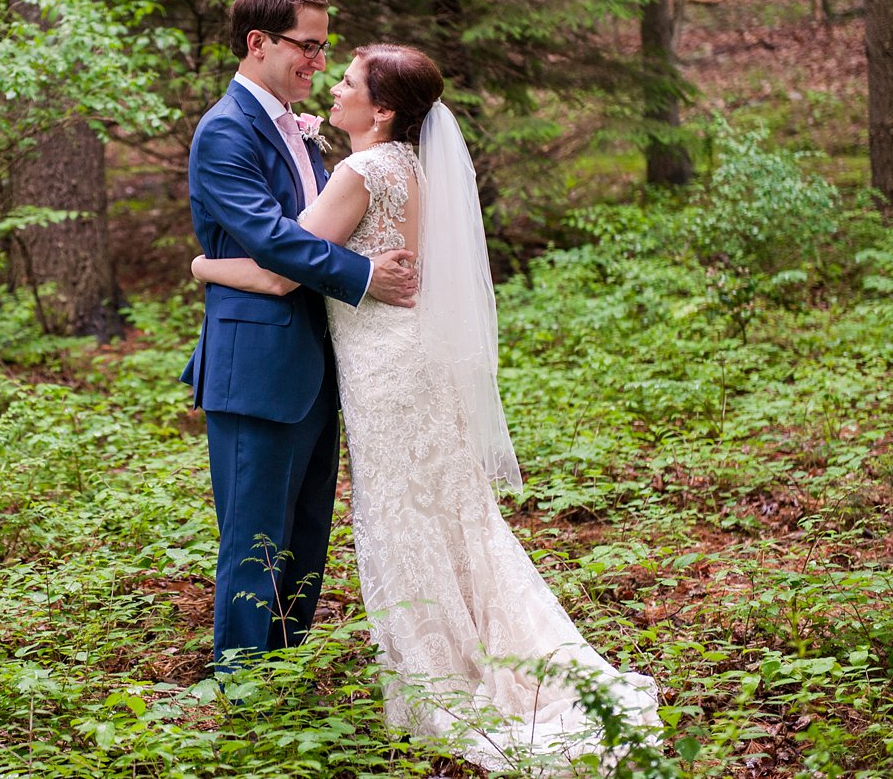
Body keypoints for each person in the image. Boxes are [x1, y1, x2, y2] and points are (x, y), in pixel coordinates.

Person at [192, 43, 659, 770]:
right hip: (414, 363)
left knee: (406, 516)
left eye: (346, 81)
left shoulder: (359, 170)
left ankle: (438, 678)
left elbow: (283, 273)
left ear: (382, 111)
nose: (332, 87)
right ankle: (487, 655)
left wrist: (202, 265)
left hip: (386, 372)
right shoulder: (412, 167)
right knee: (451, 516)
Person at [181, 0, 419, 672]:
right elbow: (275, 243)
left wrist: (206, 267)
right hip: (256, 369)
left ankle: (285, 673)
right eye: (306, 46)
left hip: (319, 365)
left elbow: (318, 233)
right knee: (254, 539)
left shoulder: (304, 134)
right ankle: (243, 687)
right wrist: (369, 278)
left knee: (307, 535)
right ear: (258, 43)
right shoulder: (225, 132)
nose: (319, 61)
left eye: (323, 48)